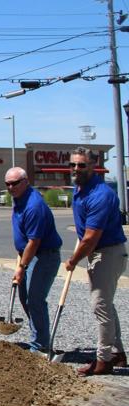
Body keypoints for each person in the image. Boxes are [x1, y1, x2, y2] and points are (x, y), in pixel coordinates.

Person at [65, 147, 128, 376]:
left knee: (100, 306)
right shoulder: (79, 187)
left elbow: (91, 238)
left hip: (108, 253)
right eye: (73, 165)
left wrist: (73, 260)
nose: (76, 169)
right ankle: (118, 352)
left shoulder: (100, 194)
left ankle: (103, 360)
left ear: (94, 165)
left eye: (81, 165)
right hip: (98, 252)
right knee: (107, 305)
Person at [5, 167, 62, 354]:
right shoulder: (18, 200)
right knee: (25, 298)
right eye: (8, 184)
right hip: (28, 255)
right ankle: (39, 335)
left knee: (35, 299)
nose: (11, 187)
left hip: (44, 256)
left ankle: (41, 345)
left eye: (15, 183)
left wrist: (21, 267)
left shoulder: (33, 206)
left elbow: (34, 241)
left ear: (26, 181)